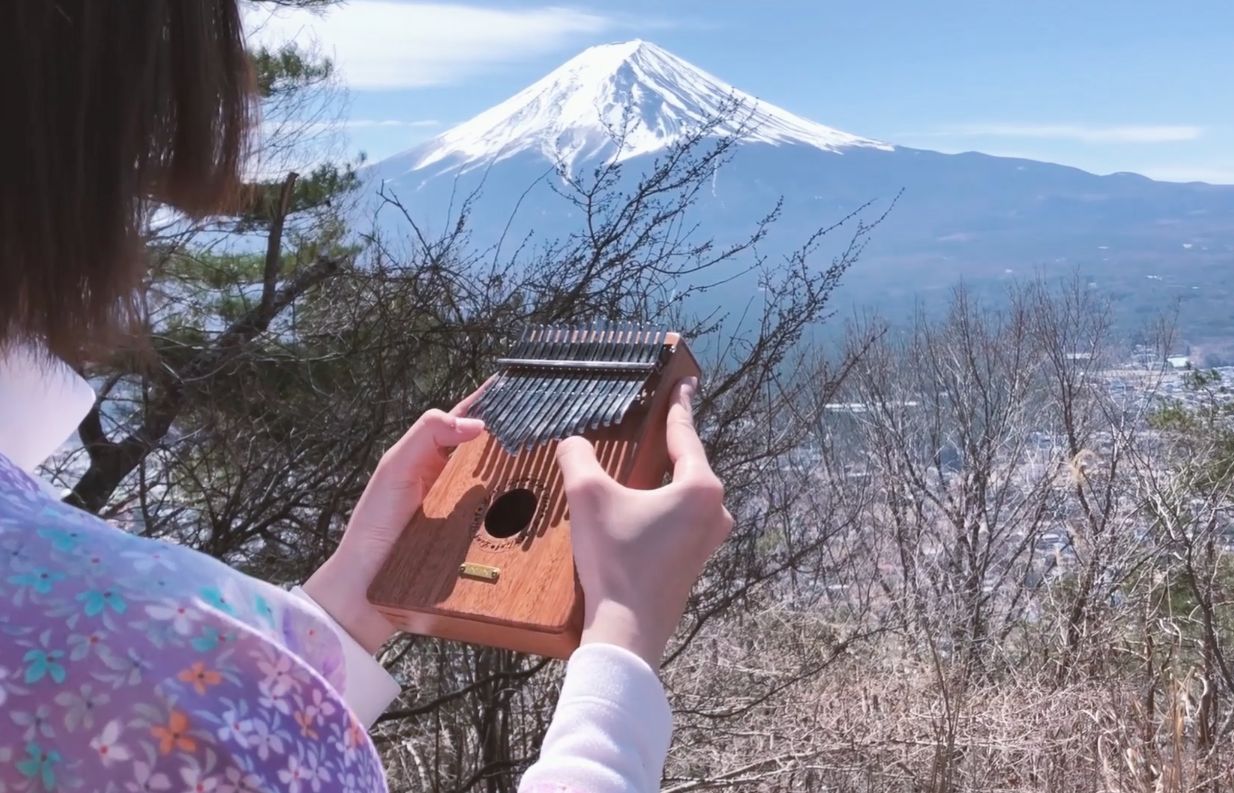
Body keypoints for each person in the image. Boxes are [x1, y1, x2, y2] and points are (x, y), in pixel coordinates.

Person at [0, 3, 733, 792]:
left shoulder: (105, 637)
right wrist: (620, 652)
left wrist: (346, 607)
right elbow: (199, 741)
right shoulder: (170, 686)